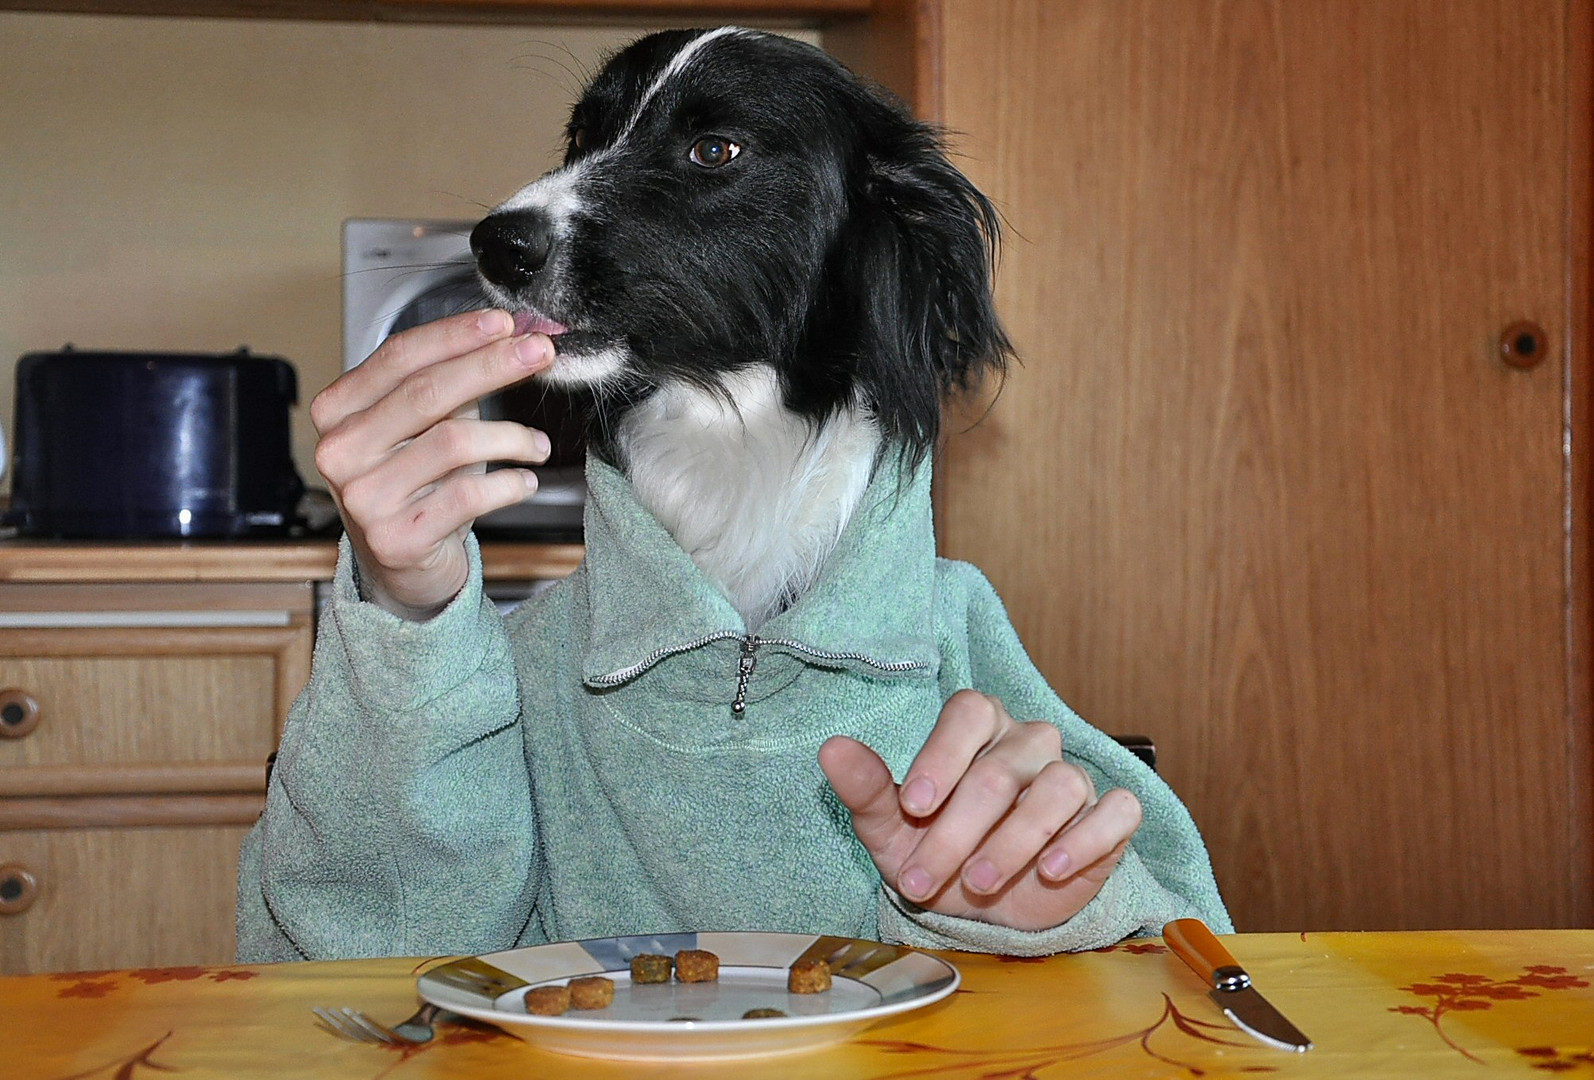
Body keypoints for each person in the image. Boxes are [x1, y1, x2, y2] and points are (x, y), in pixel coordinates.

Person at [235, 311, 1230, 962]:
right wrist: (409, 620)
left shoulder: (958, 634)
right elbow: (354, 970)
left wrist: (1042, 916)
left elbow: (1190, 959)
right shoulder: (499, 670)